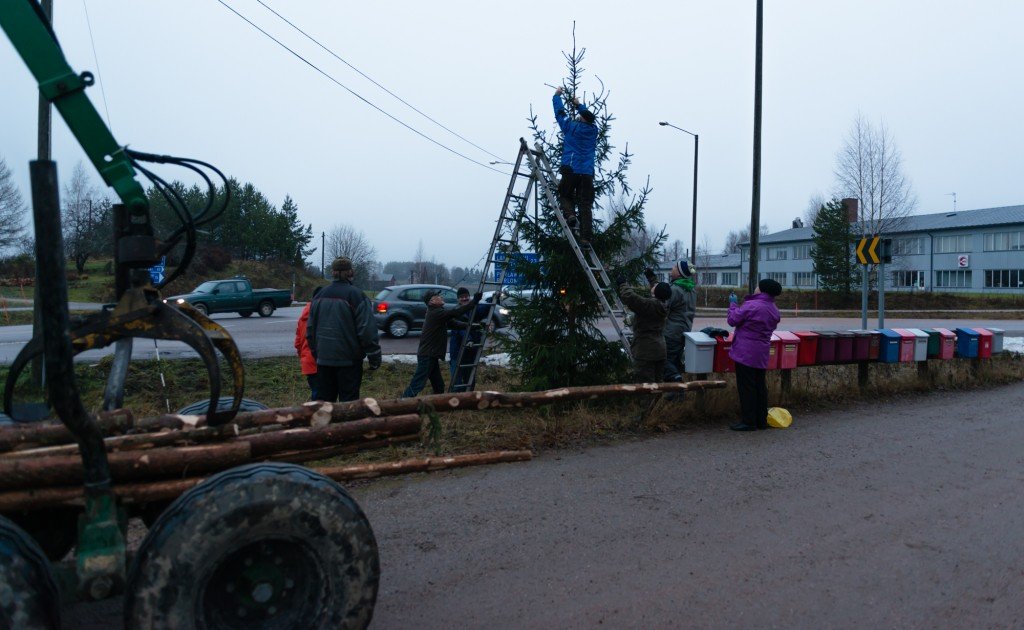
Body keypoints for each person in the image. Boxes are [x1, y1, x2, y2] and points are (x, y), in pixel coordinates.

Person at [306, 257, 381, 402]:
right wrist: (374, 357)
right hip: (349, 362)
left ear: (333, 272)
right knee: (349, 405)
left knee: (325, 406)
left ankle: (326, 426)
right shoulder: (357, 296)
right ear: (350, 272)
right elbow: (367, 331)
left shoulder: (319, 296)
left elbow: (310, 330)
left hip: (324, 360)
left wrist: (317, 353)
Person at [403, 289, 482, 398]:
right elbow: (456, 312)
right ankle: (404, 401)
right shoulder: (436, 313)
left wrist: (475, 325)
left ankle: (437, 405)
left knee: (439, 386)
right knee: (418, 383)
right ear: (432, 302)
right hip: (427, 355)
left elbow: (455, 324)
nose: (441, 297)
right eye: (438, 296)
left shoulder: (438, 312)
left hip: (431, 355)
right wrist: (474, 302)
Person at [727, 278, 782, 431]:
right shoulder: (774, 309)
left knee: (746, 387)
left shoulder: (752, 305)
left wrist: (732, 304)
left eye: (758, 285)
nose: (755, 287)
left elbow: (732, 320)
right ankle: (761, 420)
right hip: (761, 352)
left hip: (745, 352)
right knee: (759, 386)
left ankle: (748, 421)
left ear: (762, 290)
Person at [553, 87, 598, 245]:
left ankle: (570, 215)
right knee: (585, 204)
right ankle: (586, 237)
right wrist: (579, 104)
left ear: (582, 119)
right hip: (587, 173)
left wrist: (557, 96)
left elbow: (560, 114)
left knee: (564, 193)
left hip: (571, 169)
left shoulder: (571, 127)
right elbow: (589, 117)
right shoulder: (594, 131)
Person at [648, 260, 696, 383]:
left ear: (679, 273)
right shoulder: (691, 289)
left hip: (671, 332)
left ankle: (675, 380)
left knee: (664, 360)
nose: (672, 268)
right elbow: (665, 292)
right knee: (674, 361)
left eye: (675, 267)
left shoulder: (676, 289)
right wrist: (653, 280)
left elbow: (662, 303)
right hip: (684, 331)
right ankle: (674, 395)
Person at [617, 275, 671, 383]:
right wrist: (651, 279)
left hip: (646, 351)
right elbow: (659, 290)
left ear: (655, 293)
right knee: (658, 383)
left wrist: (622, 284)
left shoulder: (649, 305)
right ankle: (656, 400)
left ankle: (647, 400)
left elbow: (630, 297)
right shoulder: (663, 304)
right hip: (660, 350)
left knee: (646, 386)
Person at [448, 287, 492, 390]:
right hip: (458, 351)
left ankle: (468, 398)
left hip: (471, 351)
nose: (464, 299)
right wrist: (468, 340)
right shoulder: (456, 311)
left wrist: (493, 299)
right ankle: (456, 400)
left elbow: (485, 309)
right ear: (458, 299)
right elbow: (461, 329)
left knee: (469, 378)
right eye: (461, 297)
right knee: (457, 379)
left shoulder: (474, 308)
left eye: (466, 296)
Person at [294, 285, 323, 400]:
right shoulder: (321, 315)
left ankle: (313, 412)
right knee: (321, 395)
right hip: (320, 362)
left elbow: (297, 342)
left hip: (307, 362)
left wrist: (303, 357)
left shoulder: (303, 316)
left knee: (316, 392)